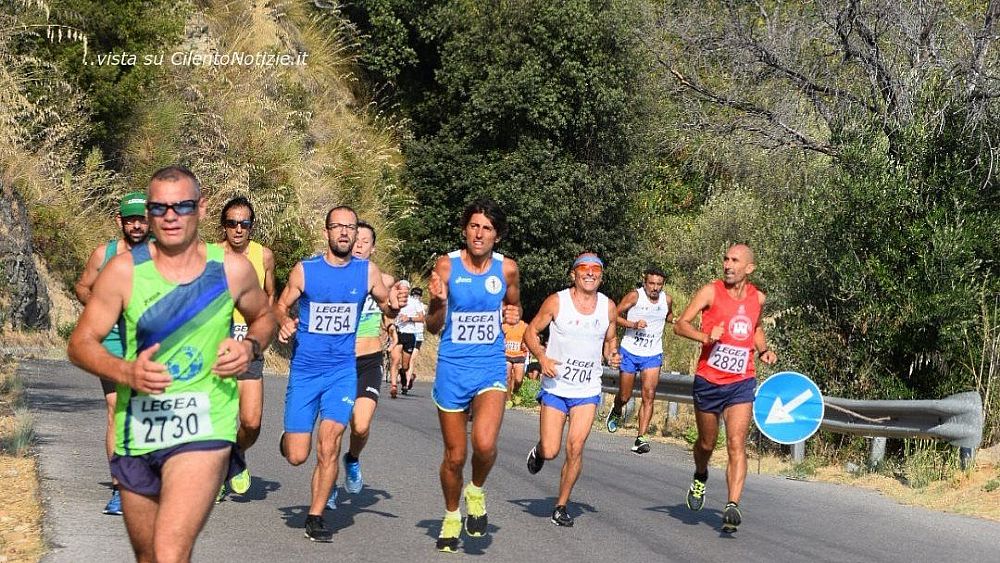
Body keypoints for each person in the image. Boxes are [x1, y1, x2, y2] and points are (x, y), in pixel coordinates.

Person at [67, 165, 276, 563]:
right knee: (148, 556)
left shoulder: (230, 269)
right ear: (147, 213)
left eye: (181, 206)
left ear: (200, 206)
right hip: (140, 427)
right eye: (159, 208)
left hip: (204, 423)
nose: (170, 216)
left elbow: (264, 317)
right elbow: (80, 344)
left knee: (169, 552)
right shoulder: (124, 271)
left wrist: (249, 347)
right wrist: (125, 371)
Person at [274, 206, 406, 542]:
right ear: (327, 232)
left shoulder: (366, 272)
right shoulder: (306, 271)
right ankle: (290, 438)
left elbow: (387, 305)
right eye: (338, 227)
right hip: (305, 371)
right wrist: (285, 322)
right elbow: (279, 304)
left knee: (330, 441)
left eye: (350, 227)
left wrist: (396, 303)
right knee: (296, 456)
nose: (345, 233)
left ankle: (316, 515)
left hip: (342, 372)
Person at [425, 197, 520, 553]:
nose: (479, 234)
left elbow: (515, 304)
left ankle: (476, 490)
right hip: (452, 368)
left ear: (497, 236)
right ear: (465, 229)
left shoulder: (507, 269)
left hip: (490, 367)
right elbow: (434, 327)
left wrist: (513, 315)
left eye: (487, 228)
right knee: (454, 456)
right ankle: (451, 515)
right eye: (474, 226)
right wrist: (437, 303)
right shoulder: (446, 267)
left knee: (484, 444)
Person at [673, 244, 777, 533]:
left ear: (749, 268)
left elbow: (755, 327)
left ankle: (732, 504)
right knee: (707, 443)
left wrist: (764, 349)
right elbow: (680, 325)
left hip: (741, 382)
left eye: (735, 261)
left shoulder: (758, 298)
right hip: (709, 381)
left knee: (735, 443)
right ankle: (700, 474)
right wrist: (705, 336)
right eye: (726, 259)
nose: (728, 265)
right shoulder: (710, 292)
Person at [523, 253, 620, 527]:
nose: (590, 273)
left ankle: (561, 505)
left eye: (596, 269)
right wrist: (542, 358)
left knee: (575, 447)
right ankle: (540, 451)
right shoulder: (558, 301)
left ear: (601, 275)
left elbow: (610, 340)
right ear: (573, 274)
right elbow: (530, 332)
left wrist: (612, 354)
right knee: (552, 450)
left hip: (587, 389)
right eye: (583, 268)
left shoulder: (608, 307)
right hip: (556, 387)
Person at [74, 191, 150, 516]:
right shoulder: (103, 254)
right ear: (120, 221)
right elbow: (81, 285)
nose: (136, 225)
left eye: (142, 219)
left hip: (149, 340)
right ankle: (121, 487)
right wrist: (99, 305)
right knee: (115, 407)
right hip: (113, 342)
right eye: (130, 219)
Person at [333, 220, 396, 508]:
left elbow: (390, 312)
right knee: (332, 427)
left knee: (359, 426)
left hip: (369, 360)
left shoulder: (384, 281)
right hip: (337, 359)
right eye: (356, 239)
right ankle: (328, 482)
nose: (359, 244)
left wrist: (392, 325)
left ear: (373, 247)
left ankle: (353, 458)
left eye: (365, 241)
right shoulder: (333, 275)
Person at [218, 196, 276, 499]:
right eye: (232, 223)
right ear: (223, 226)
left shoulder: (263, 255)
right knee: (218, 415)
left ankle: (235, 454)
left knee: (251, 423)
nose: (238, 229)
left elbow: (270, 297)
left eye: (245, 223)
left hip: (249, 344)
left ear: (251, 227)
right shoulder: (211, 255)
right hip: (216, 345)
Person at [605, 267, 673, 455]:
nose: (655, 288)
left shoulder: (666, 300)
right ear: (645, 283)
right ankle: (617, 409)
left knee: (649, 394)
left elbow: (667, 315)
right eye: (651, 283)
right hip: (630, 351)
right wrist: (633, 325)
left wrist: (676, 320)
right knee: (625, 396)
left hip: (652, 354)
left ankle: (640, 438)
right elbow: (613, 316)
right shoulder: (635, 297)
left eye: (659, 284)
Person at [396, 283, 426, 396]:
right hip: (408, 333)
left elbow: (423, 318)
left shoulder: (421, 305)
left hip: (418, 335)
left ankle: (407, 382)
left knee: (411, 360)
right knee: (401, 360)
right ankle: (407, 378)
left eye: (418, 296)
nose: (416, 297)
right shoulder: (406, 303)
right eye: (414, 295)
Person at [502, 309, 528, 408]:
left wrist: (525, 344)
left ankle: (515, 392)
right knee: (507, 378)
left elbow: (529, 337)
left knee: (518, 379)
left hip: (519, 355)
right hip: (507, 355)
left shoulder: (524, 326)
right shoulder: (504, 326)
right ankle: (508, 400)